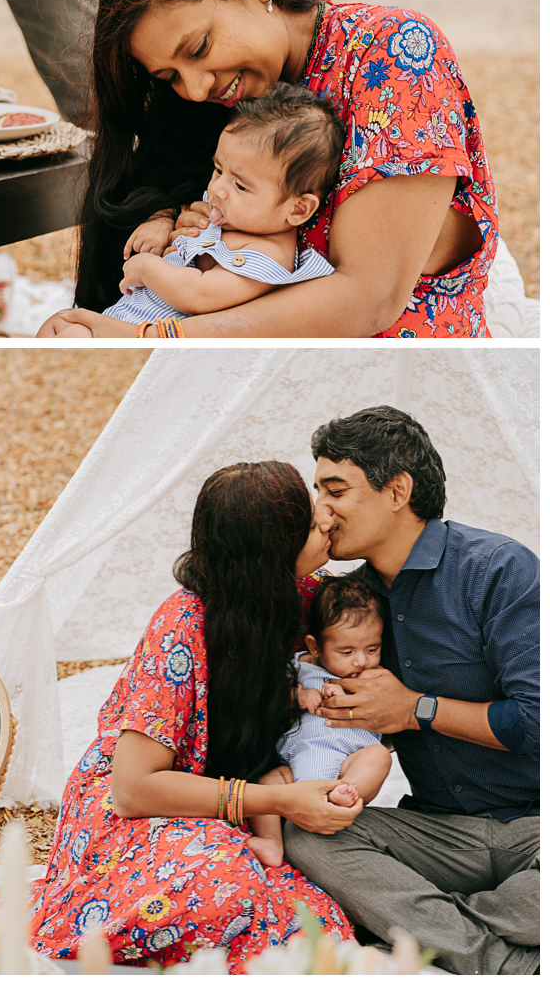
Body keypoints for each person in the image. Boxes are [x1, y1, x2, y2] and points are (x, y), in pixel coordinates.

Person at [55, 0, 497, 339]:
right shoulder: (228, 102)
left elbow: (370, 298)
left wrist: (150, 335)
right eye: (169, 77)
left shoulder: (394, 52)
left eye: (198, 48)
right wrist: (194, 228)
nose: (193, 88)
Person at [28, 462, 359, 971]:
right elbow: (133, 790)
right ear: (271, 554)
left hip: (225, 807)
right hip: (133, 814)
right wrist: (278, 800)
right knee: (224, 888)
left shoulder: (299, 598)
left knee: (312, 923)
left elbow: (375, 599)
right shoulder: (181, 628)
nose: (328, 523)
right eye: (312, 527)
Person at [282, 407, 539, 975]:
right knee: (307, 836)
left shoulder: (498, 569)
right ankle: (500, 960)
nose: (321, 509)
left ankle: (432, 929)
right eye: (317, 491)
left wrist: (413, 710)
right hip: (433, 831)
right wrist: (295, 569)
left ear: (398, 490)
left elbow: (536, 724)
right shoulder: (342, 602)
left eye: (336, 490)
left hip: (535, 827)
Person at [36, 84, 343, 337]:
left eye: (241, 186)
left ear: (298, 209)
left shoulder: (267, 256)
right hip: (123, 315)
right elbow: (188, 213)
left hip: (147, 332)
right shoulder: (229, 209)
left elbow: (200, 295)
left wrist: (145, 267)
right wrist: (163, 220)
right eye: (219, 169)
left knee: (70, 335)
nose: (219, 188)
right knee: (56, 325)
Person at [248, 574, 392, 868]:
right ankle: (272, 841)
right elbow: (268, 696)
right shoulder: (299, 666)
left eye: (372, 649)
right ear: (315, 646)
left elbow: (378, 696)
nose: (360, 661)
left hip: (347, 762)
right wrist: (297, 696)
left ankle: (344, 797)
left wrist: (342, 689)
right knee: (266, 783)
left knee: (378, 757)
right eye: (346, 651)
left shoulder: (373, 676)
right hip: (295, 761)